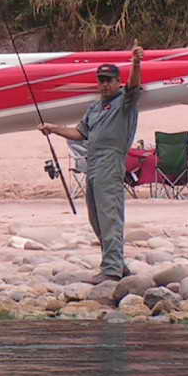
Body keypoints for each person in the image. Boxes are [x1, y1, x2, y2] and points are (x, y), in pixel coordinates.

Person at [40, 44, 144, 282]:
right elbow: (79, 133)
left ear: (118, 82)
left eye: (109, 80)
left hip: (111, 161)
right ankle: (118, 264)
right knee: (96, 218)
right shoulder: (95, 107)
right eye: (101, 80)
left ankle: (110, 270)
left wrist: (136, 62)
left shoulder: (125, 103)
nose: (104, 84)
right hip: (93, 163)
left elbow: (135, 85)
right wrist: (53, 128)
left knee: (110, 217)